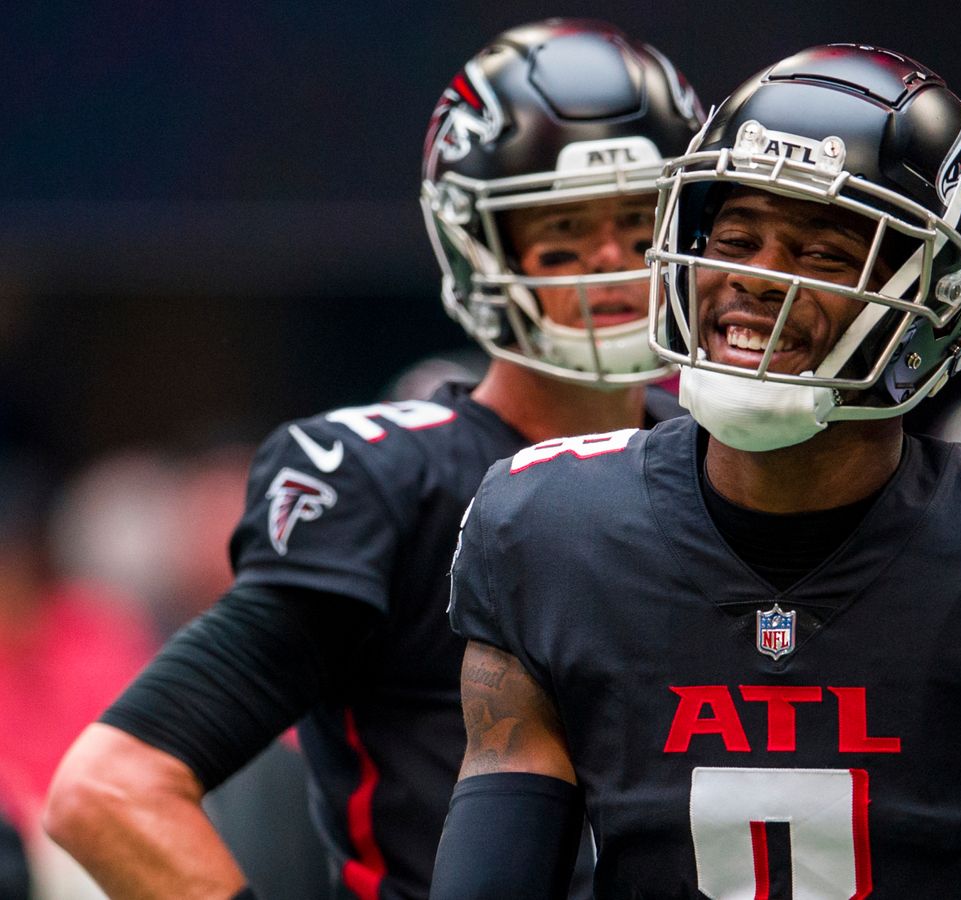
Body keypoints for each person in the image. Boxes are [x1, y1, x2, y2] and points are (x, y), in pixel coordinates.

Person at [434, 44, 961, 899]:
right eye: (735, 237)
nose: (756, 280)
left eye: (823, 255)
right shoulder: (548, 530)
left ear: (937, 299)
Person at [43, 20, 702, 900]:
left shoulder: (721, 463)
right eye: (565, 229)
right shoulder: (394, 484)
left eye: (639, 220)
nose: (612, 264)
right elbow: (111, 789)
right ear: (478, 243)